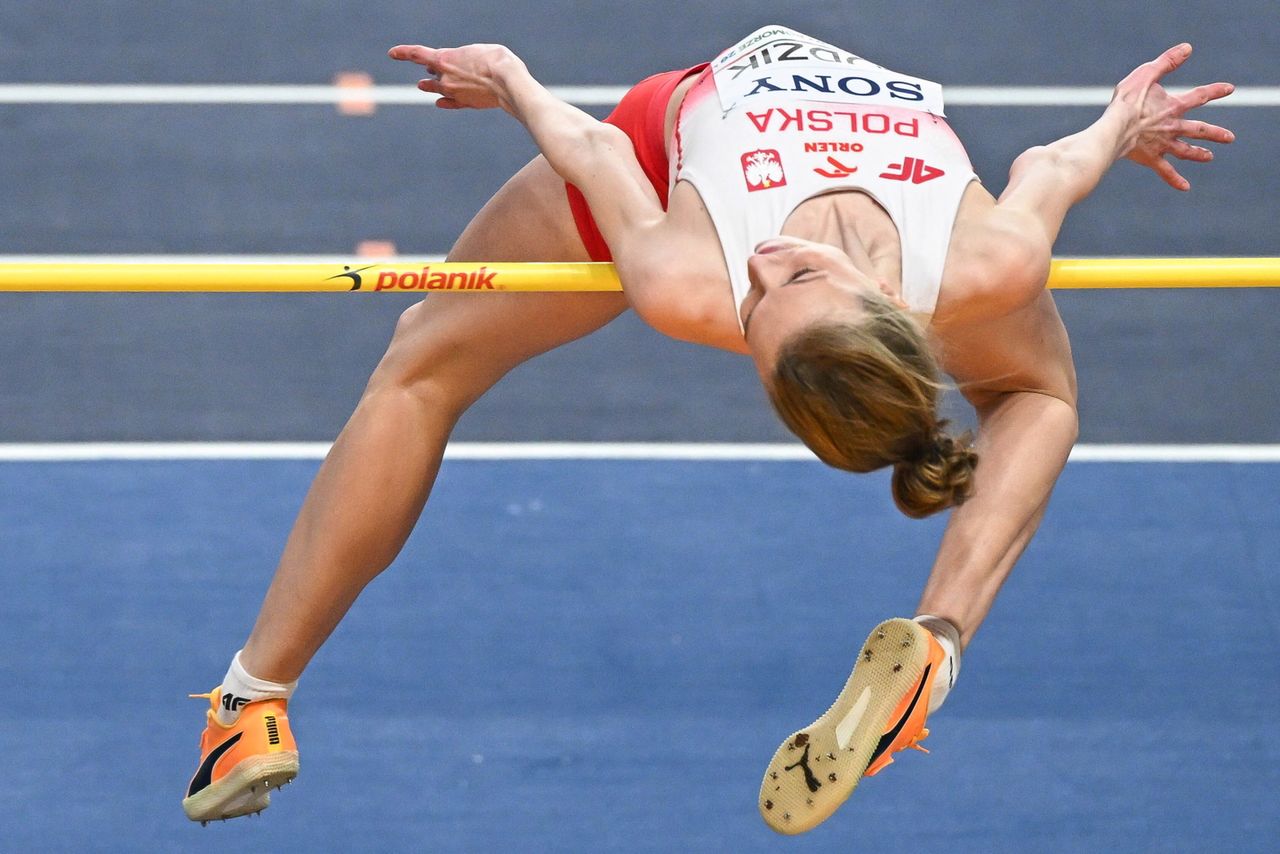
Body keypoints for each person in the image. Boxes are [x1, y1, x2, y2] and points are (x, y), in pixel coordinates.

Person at [181, 26, 1235, 833]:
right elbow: (1059, 164)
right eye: (777, 285)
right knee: (1037, 394)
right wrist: (1121, 122)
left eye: (764, 297)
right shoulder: (982, 261)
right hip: (846, 232)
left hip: (660, 139)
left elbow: (594, 144)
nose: (766, 262)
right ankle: (941, 646)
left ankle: (250, 698)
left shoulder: (695, 280)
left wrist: (506, 73)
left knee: (421, 363)